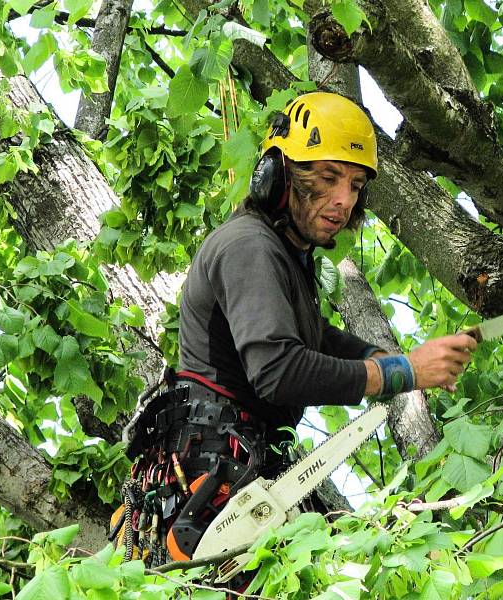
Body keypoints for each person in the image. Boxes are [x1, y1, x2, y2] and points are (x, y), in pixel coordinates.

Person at [116, 91, 476, 567]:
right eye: (327, 178)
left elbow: (315, 338)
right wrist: (400, 372)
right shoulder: (249, 245)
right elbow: (279, 370)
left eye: (355, 184)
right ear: (277, 175)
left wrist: (390, 358)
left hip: (242, 472)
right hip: (211, 482)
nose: (344, 200)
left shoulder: (283, 257)